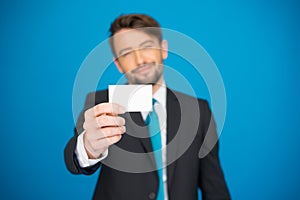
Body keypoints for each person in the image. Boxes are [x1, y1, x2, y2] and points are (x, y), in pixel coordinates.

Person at [64, 13, 231, 200]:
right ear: (118, 64)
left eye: (147, 47)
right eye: (127, 53)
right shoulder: (102, 103)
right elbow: (74, 161)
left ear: (163, 49)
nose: (140, 60)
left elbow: (215, 188)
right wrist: (89, 147)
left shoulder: (198, 111)